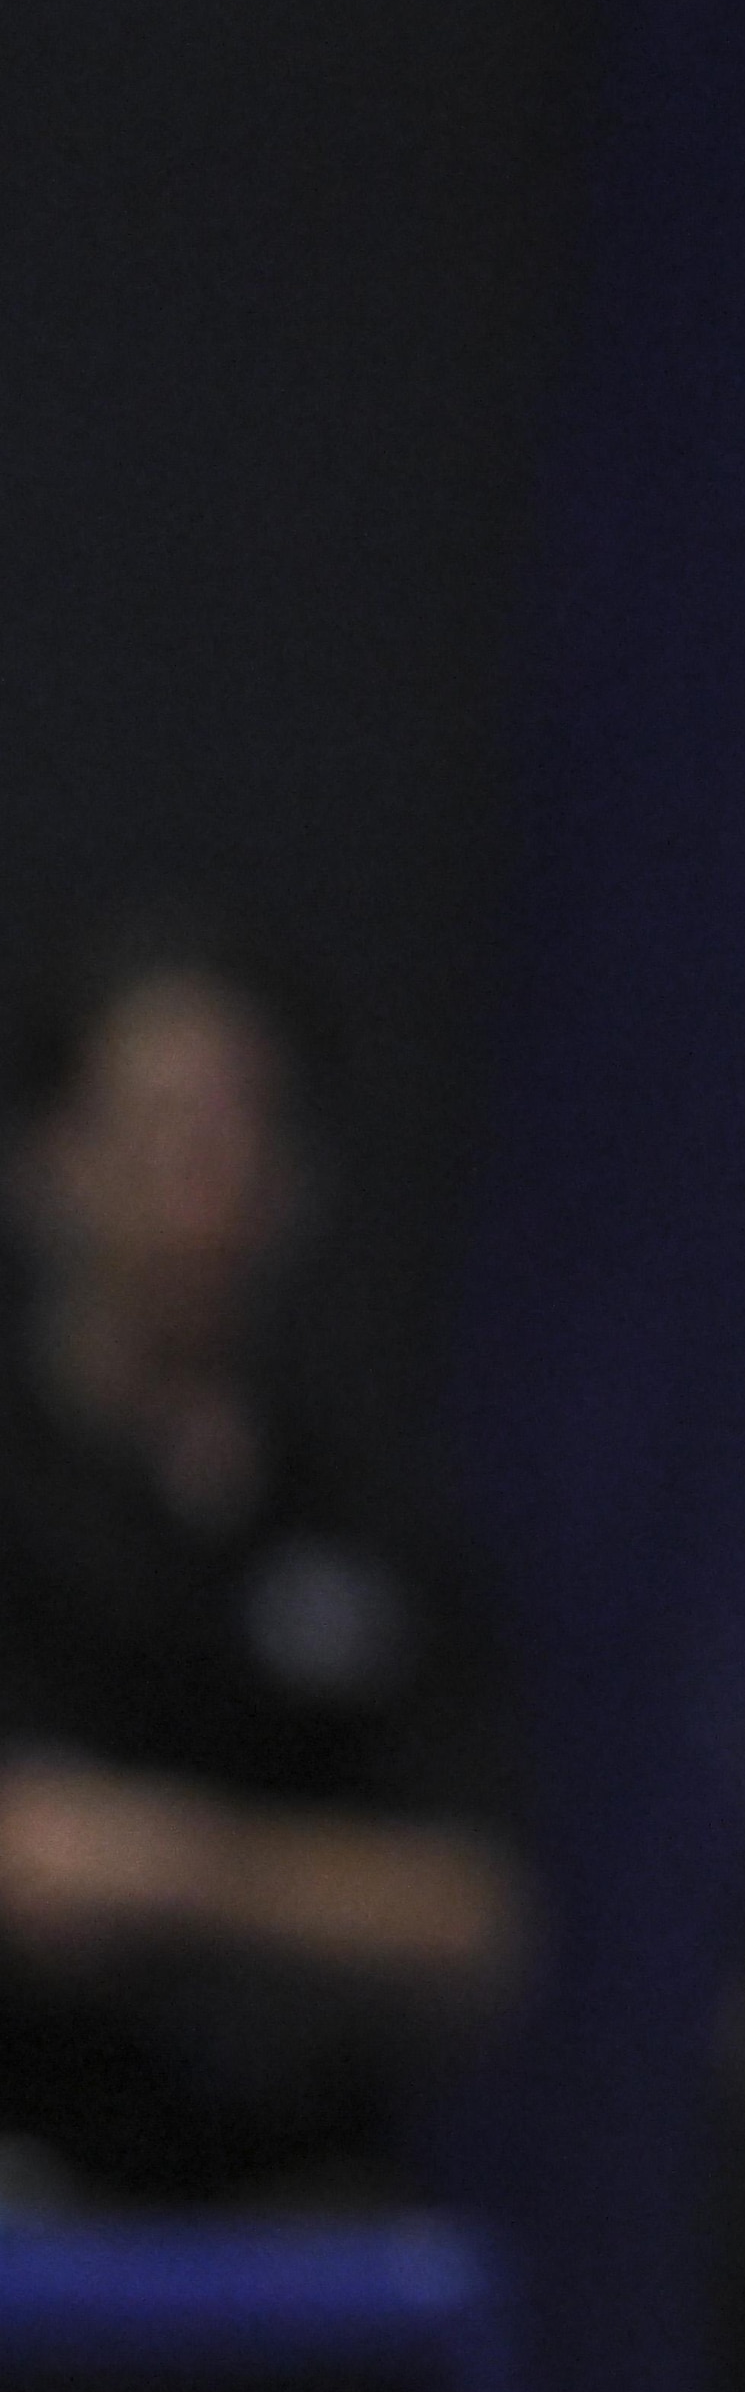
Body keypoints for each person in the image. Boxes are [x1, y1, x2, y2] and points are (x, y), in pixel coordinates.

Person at [0, 925, 520, 2209]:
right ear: (51, 1161)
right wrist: (309, 1889)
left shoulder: (369, 1524)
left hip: (302, 2235)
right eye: (162, 1123)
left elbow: (471, 1916)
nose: (202, 1173)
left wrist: (169, 1863)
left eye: (240, 1129)